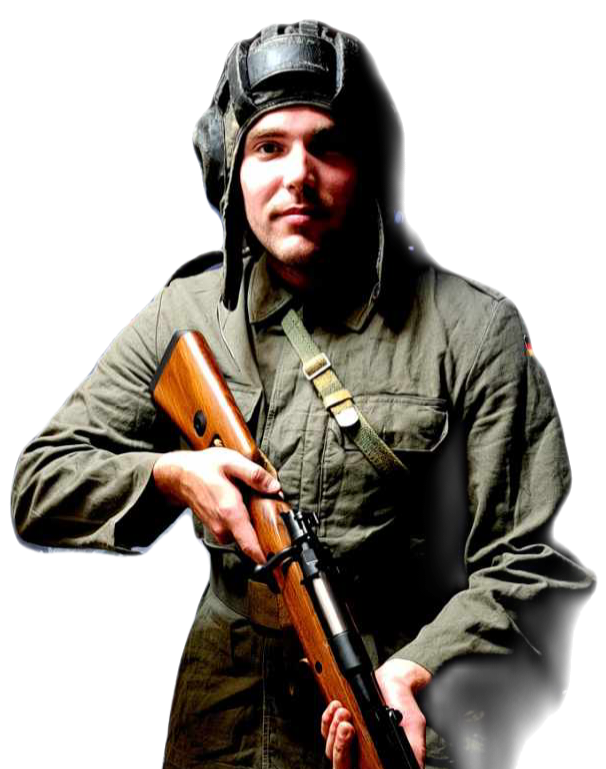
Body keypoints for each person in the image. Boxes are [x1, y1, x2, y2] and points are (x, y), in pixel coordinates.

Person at [11, 19, 597, 769]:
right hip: (227, 720)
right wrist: (170, 477)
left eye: (329, 146)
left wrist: (418, 669)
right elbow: (40, 483)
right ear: (228, 168)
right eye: (268, 147)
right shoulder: (186, 312)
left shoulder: (475, 326)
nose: (298, 176)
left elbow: (542, 562)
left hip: (410, 712)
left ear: (370, 166)